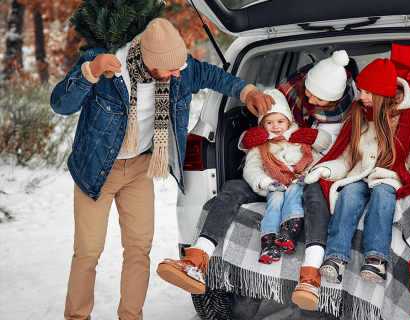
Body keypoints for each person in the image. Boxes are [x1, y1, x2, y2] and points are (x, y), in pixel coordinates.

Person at [50, 18, 274, 320]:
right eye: (170, 70)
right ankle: (77, 317)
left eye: (180, 66)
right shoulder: (106, 66)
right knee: (88, 252)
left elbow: (212, 75)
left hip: (141, 167)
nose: (178, 74)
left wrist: (247, 92)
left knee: (138, 250)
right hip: (96, 171)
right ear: (149, 61)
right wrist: (88, 73)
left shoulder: (179, 69)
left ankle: (131, 316)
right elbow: (61, 104)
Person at [157, 50, 356, 310]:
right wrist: (259, 169)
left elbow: (326, 143)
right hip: (267, 183)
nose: (307, 98)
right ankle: (196, 258)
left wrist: (308, 141)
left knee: (315, 198)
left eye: (316, 98)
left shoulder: (313, 127)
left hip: (304, 179)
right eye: (308, 92)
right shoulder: (271, 124)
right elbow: (250, 162)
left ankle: (310, 275)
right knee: (230, 188)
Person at [304, 58, 410, 285]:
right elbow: (345, 159)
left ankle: (376, 259)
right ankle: (335, 257)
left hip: (389, 176)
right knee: (349, 194)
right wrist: (325, 169)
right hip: (358, 174)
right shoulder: (358, 117)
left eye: (367, 92)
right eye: (361, 90)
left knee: (383, 193)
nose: (361, 96)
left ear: (383, 94)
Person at [242, 88, 327, 264]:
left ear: (289, 122)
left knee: (295, 191)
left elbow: (316, 160)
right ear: (262, 125)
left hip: (298, 181)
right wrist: (266, 182)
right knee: (275, 200)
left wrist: (310, 174)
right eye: (269, 123)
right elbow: (251, 169)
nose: (276, 127)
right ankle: (269, 241)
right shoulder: (260, 146)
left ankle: (289, 230)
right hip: (274, 184)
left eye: (280, 121)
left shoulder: (298, 140)